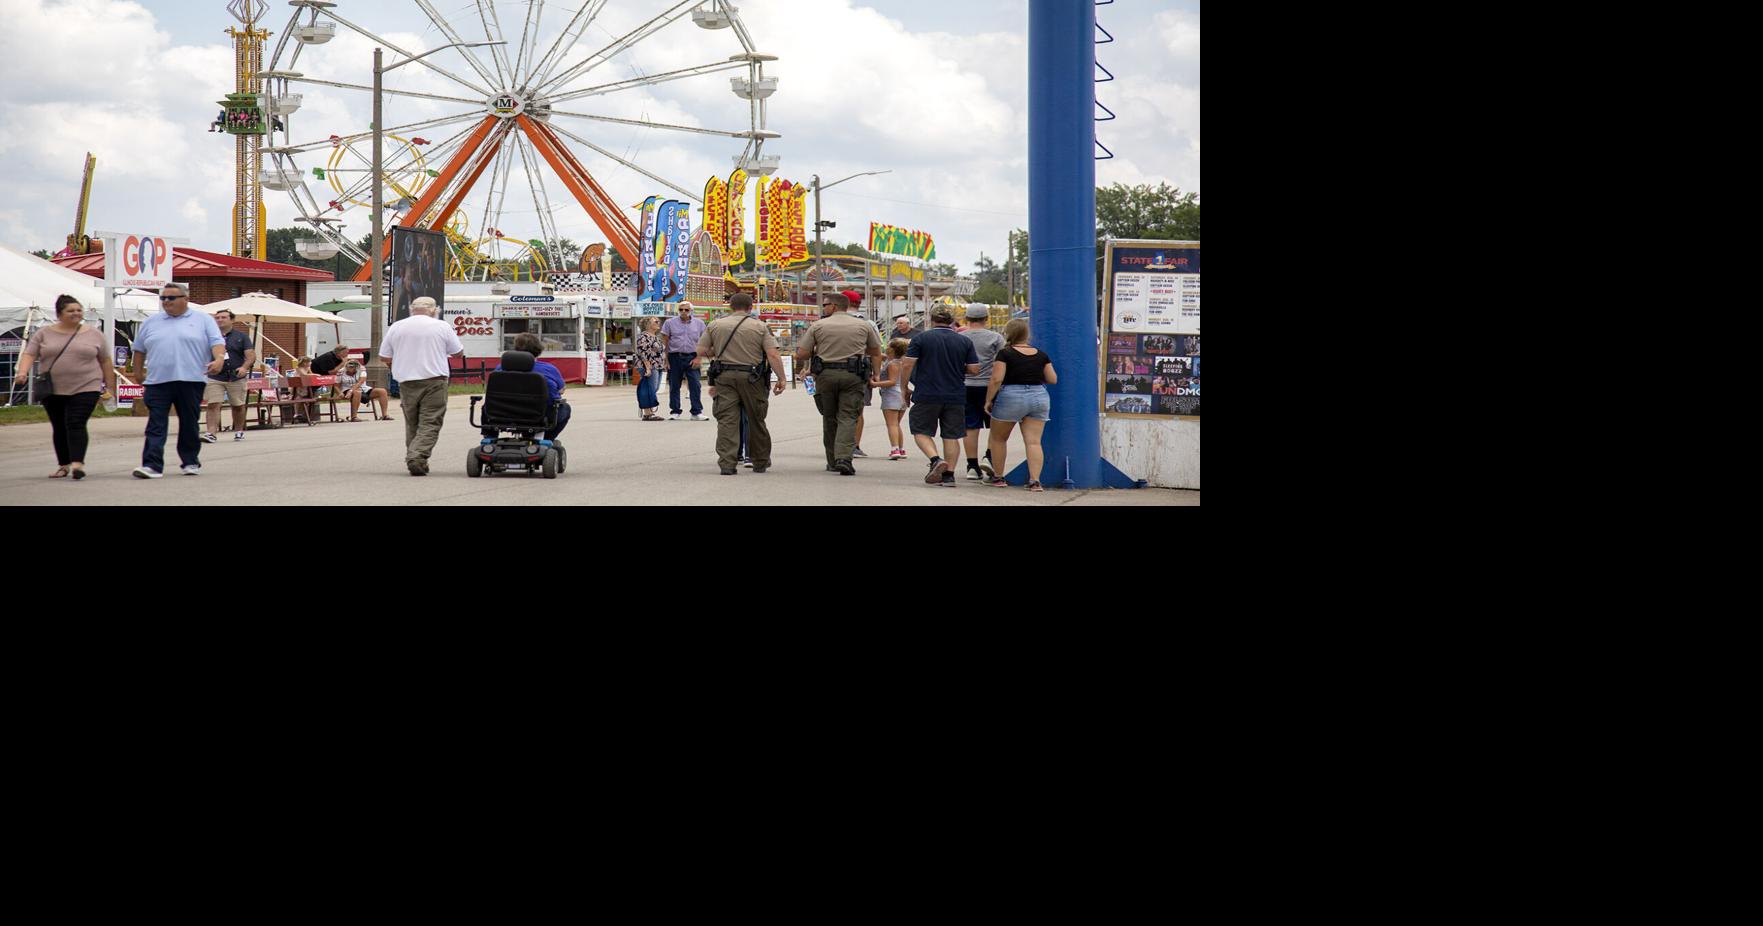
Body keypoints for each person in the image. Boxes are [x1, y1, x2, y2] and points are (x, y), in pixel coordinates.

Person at [13, 295, 115, 480]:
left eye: (79, 310)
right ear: (59, 314)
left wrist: (110, 386)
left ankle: (77, 464)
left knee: (75, 422)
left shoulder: (95, 334)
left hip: (87, 386)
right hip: (52, 389)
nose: (76, 313)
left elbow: (106, 361)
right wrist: (22, 372)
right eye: (71, 311)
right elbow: (29, 354)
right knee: (59, 426)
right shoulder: (44, 333)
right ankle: (63, 465)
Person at [131, 283, 225, 478]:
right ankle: (152, 465)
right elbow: (139, 349)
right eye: (163, 298)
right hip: (157, 381)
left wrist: (218, 359)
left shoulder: (203, 320)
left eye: (171, 298)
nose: (166, 302)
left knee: (189, 422)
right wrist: (138, 373)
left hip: (190, 380)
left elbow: (217, 343)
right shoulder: (152, 322)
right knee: (156, 423)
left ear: (185, 299)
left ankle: (190, 461)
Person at [794, 292, 884, 476]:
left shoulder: (818, 325)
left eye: (825, 305)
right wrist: (875, 374)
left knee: (829, 417)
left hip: (826, 375)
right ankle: (844, 457)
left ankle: (833, 460)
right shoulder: (864, 325)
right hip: (853, 376)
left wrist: (816, 352)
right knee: (848, 416)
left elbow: (802, 353)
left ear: (834, 306)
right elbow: (875, 351)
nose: (824, 308)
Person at [698, 292, 786, 475]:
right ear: (750, 307)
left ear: (730, 306)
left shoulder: (715, 325)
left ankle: (727, 463)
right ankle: (759, 461)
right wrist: (782, 378)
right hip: (752, 378)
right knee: (756, 419)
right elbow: (773, 354)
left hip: (724, 377)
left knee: (727, 421)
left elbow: (701, 349)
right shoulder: (761, 326)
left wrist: (721, 352)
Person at [378, 295, 464, 476]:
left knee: (413, 423)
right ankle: (417, 457)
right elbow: (457, 352)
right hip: (435, 380)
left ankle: (416, 459)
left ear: (412, 309)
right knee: (430, 421)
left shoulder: (397, 327)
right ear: (434, 310)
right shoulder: (441, 326)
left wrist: (401, 364)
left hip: (406, 382)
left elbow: (385, 356)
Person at [898, 305, 979, 487]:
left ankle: (935, 460)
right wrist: (956, 367)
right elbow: (974, 369)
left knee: (921, 431)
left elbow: (907, 365)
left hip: (927, 393)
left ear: (931, 319)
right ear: (951, 321)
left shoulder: (921, 339)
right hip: (955, 394)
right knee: (951, 436)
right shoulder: (964, 341)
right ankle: (949, 476)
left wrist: (904, 388)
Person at [983, 320, 1057, 493]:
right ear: (1026, 334)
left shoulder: (1005, 353)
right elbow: (1053, 379)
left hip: (1011, 396)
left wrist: (988, 400)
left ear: (1008, 333)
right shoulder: (1041, 354)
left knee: (998, 439)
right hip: (1039, 396)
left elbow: (996, 379)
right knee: (1033, 442)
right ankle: (1035, 481)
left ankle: (999, 477)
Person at [484, 332, 571, 441]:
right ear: (538, 350)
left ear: (516, 349)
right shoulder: (549, 369)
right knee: (565, 408)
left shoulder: (500, 368)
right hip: (538, 415)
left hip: (502, 414)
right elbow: (561, 389)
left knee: (486, 406)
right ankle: (547, 439)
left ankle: (490, 437)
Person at [960, 305, 1006, 481]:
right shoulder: (995, 338)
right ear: (986, 318)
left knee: (970, 426)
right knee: (995, 425)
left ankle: (972, 466)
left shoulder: (960, 337)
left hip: (965, 385)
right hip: (989, 386)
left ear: (967, 319)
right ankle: (989, 456)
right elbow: (1001, 363)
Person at [202, 309, 256, 443]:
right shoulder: (209, 337)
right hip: (215, 376)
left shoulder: (241, 337)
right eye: (217, 317)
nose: (220, 320)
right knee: (213, 404)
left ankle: (238, 431)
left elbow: (251, 356)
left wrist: (244, 368)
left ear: (232, 320)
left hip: (236, 376)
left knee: (237, 405)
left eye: (223, 317)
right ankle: (211, 433)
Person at [660, 302, 708, 420]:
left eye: (686, 310)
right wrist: (666, 359)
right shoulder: (670, 323)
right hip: (675, 356)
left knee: (695, 385)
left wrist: (699, 358)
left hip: (692, 356)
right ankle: (675, 411)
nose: (683, 312)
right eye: (681, 309)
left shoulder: (699, 324)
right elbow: (665, 342)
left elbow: (704, 342)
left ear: (691, 310)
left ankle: (696, 412)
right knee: (674, 385)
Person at [842, 290, 874, 457]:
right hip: (859, 370)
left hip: (830, 370)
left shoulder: (826, 322)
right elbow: (875, 350)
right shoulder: (868, 324)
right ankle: (855, 446)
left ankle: (838, 445)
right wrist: (875, 374)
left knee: (835, 410)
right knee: (858, 410)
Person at [870, 338, 911, 461]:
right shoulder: (903, 362)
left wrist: (874, 384)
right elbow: (879, 355)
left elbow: (892, 381)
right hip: (902, 394)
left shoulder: (893, 364)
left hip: (892, 395)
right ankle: (901, 448)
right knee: (896, 424)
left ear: (892, 350)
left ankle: (895, 449)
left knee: (892, 424)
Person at [634, 316, 666, 421]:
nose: (658, 323)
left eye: (658, 321)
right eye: (655, 321)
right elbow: (643, 353)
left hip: (657, 365)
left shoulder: (655, 336)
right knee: (650, 388)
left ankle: (648, 412)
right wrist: (647, 368)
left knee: (653, 388)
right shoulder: (644, 336)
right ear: (648, 324)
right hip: (649, 365)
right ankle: (648, 413)